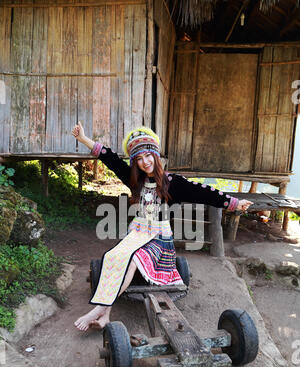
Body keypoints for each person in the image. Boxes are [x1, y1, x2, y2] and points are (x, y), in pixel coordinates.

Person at [71, 122, 253, 331]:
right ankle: (106, 317)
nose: (144, 162)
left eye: (148, 156)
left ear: (155, 155)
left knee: (132, 259)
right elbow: (110, 159)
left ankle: (100, 308)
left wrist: (234, 203)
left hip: (159, 239)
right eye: (138, 159)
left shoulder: (172, 183)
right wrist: (84, 139)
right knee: (113, 257)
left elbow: (203, 192)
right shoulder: (134, 180)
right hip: (137, 233)